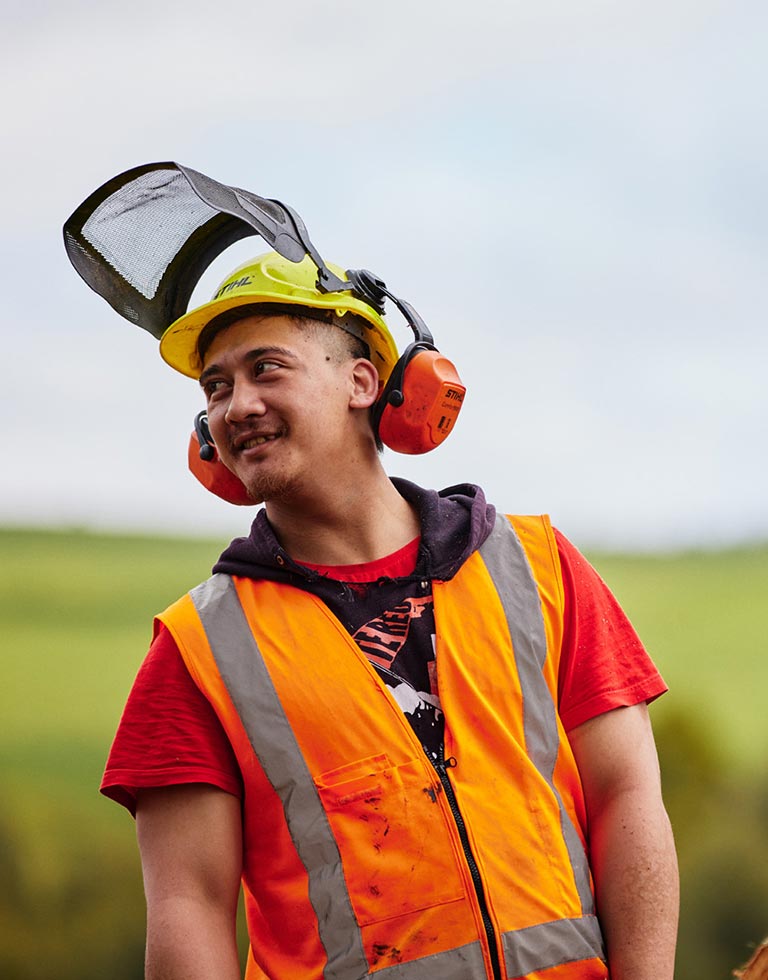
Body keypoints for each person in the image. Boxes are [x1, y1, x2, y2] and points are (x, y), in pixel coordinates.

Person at [100, 252, 679, 980]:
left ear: (363, 381)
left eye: (266, 370)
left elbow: (628, 799)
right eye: (216, 387)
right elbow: (189, 907)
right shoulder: (198, 651)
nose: (235, 405)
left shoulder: (538, 567)